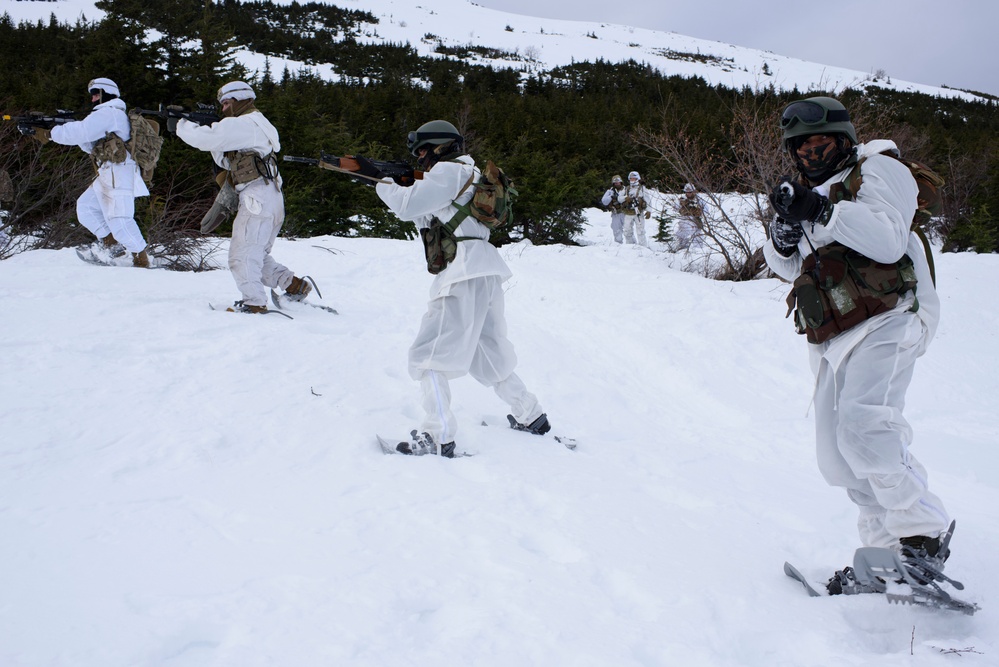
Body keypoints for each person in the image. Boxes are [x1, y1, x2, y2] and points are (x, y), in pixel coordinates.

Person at [763, 96, 950, 593]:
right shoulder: (809, 192)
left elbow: (888, 242)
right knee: (838, 457)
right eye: (800, 147)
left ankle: (922, 537)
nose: (810, 153)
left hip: (892, 315)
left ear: (843, 138)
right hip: (836, 331)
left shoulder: (880, 171)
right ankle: (887, 556)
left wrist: (818, 209)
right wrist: (782, 237)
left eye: (820, 142)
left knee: (866, 425)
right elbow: (790, 266)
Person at [357, 119, 551, 458]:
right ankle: (530, 415)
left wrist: (379, 180)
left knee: (429, 355)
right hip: (483, 270)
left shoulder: (448, 173)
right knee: (488, 351)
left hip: (462, 271)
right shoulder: (470, 175)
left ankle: (437, 435)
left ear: (440, 146)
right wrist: (399, 184)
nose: (420, 159)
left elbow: (405, 207)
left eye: (423, 151)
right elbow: (427, 217)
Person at [175, 81, 312, 313]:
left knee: (242, 256)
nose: (223, 109)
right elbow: (225, 160)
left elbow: (205, 139)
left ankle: (254, 304)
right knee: (256, 255)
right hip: (268, 196)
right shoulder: (256, 123)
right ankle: (293, 286)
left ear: (240, 100)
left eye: (227, 103)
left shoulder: (246, 122)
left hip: (257, 198)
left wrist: (181, 124)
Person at [37, 78, 151, 267]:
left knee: (120, 220)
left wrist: (50, 134)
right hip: (108, 171)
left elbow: (82, 131)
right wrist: (58, 130)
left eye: (96, 94)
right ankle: (113, 247)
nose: (93, 99)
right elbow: (89, 144)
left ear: (105, 93)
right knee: (86, 208)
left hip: (119, 172)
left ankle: (142, 260)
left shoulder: (110, 112)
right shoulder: (105, 115)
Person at [621, 171, 651, 246]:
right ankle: (630, 245)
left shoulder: (642, 189)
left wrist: (649, 211)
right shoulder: (626, 189)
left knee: (640, 231)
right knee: (627, 230)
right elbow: (619, 198)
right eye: (631, 178)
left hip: (638, 213)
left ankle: (643, 246)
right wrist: (625, 198)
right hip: (628, 213)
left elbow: (648, 199)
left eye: (634, 178)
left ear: (637, 179)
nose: (632, 180)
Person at [674, 182, 704, 250]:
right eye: (687, 192)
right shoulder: (682, 199)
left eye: (690, 192)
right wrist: (682, 206)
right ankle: (683, 248)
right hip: (685, 219)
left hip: (695, 219)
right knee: (682, 234)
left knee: (697, 235)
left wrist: (698, 211)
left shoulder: (699, 200)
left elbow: (706, 211)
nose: (688, 193)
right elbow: (675, 208)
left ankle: (698, 250)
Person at [600, 174, 626, 243]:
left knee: (628, 230)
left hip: (626, 213)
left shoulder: (626, 190)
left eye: (618, 181)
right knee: (616, 230)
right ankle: (618, 245)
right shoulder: (610, 191)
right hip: (616, 213)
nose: (617, 183)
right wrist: (611, 196)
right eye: (615, 182)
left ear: (621, 182)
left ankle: (632, 245)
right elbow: (604, 201)